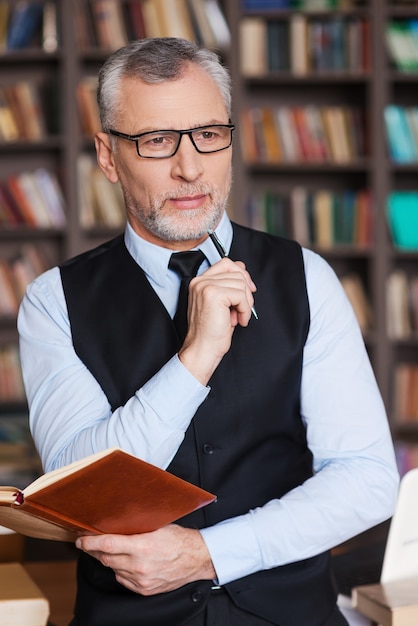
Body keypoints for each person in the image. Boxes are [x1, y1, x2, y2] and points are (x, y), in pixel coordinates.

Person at [18, 37, 399, 626]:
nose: (190, 167)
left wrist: (207, 555)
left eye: (208, 135)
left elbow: (368, 479)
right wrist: (193, 359)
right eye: (156, 141)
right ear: (107, 156)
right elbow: (81, 491)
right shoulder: (52, 302)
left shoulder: (307, 278)